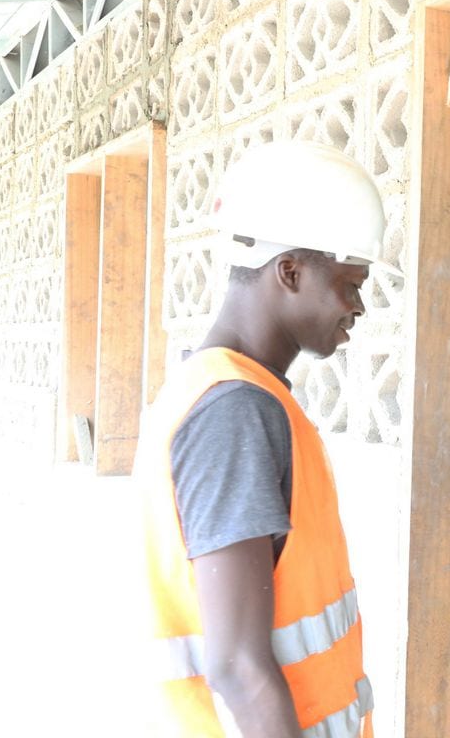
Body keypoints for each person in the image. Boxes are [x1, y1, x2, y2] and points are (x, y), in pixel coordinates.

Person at [136, 141, 384, 737]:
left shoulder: (229, 392)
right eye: (350, 283)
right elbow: (237, 667)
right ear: (291, 271)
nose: (359, 307)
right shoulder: (233, 411)